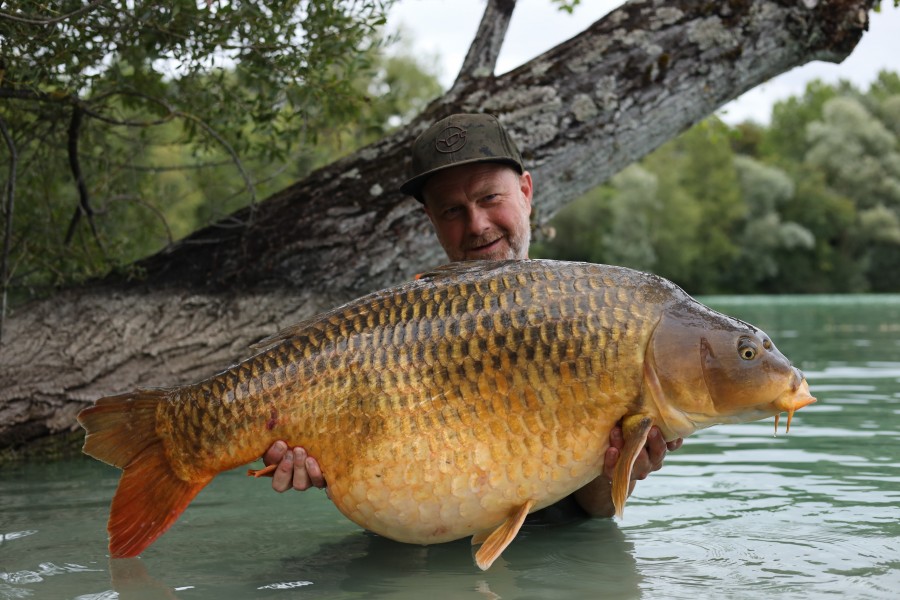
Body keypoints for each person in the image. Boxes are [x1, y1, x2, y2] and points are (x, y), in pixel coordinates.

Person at [261, 113, 682, 519]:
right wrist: (326, 456)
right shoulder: (387, 329)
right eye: (452, 211)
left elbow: (594, 512)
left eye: (489, 198)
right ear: (432, 219)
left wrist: (620, 466)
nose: (477, 224)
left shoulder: (593, 319)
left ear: (526, 191)